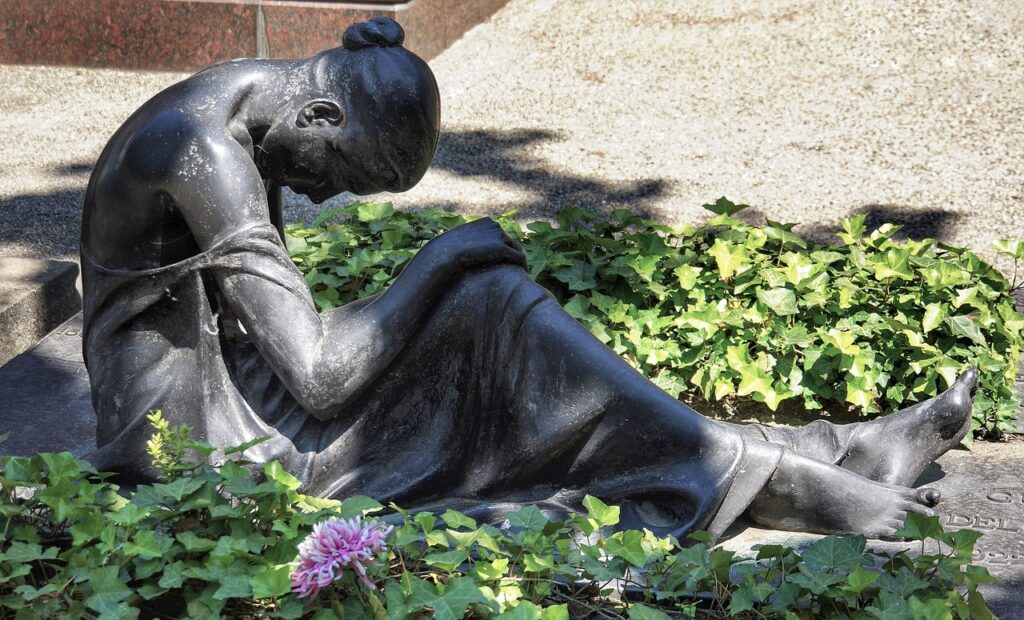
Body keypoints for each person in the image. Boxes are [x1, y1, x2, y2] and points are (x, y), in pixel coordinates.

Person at [81, 16, 976, 540]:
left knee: (491, 311)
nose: (316, 197)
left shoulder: (252, 101)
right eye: (336, 176)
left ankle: (801, 456)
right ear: (319, 112)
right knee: (479, 297)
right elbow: (316, 377)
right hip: (199, 449)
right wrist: (440, 259)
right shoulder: (200, 149)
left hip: (240, 389)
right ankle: (778, 474)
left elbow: (284, 343)